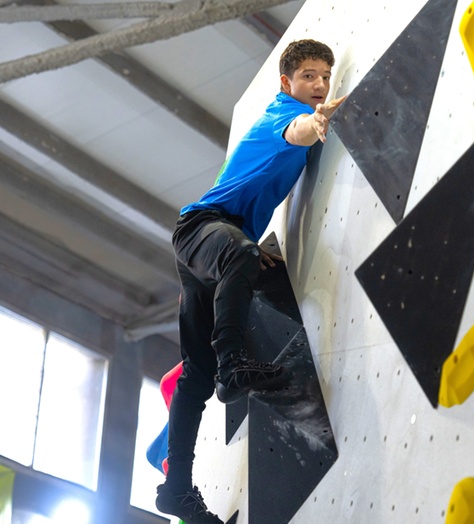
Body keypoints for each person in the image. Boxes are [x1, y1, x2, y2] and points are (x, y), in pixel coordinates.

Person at [155, 39, 347, 524]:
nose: (319, 85)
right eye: (308, 76)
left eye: (325, 76)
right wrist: (317, 122)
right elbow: (297, 132)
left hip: (217, 243)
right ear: (287, 83)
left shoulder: (296, 109)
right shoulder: (280, 115)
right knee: (241, 252)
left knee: (195, 375)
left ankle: (176, 489)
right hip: (202, 228)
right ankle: (233, 363)